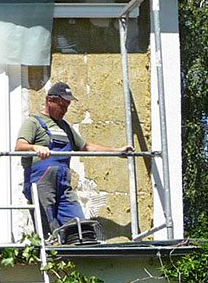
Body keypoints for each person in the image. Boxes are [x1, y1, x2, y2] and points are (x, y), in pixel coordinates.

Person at [15, 81, 130, 242]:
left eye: (67, 106)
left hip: (63, 183)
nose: (65, 110)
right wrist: (35, 148)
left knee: (79, 227)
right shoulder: (33, 122)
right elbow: (20, 146)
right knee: (48, 228)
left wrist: (117, 151)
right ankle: (52, 259)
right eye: (62, 105)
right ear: (50, 100)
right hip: (41, 182)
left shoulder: (65, 127)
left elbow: (86, 147)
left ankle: (79, 254)